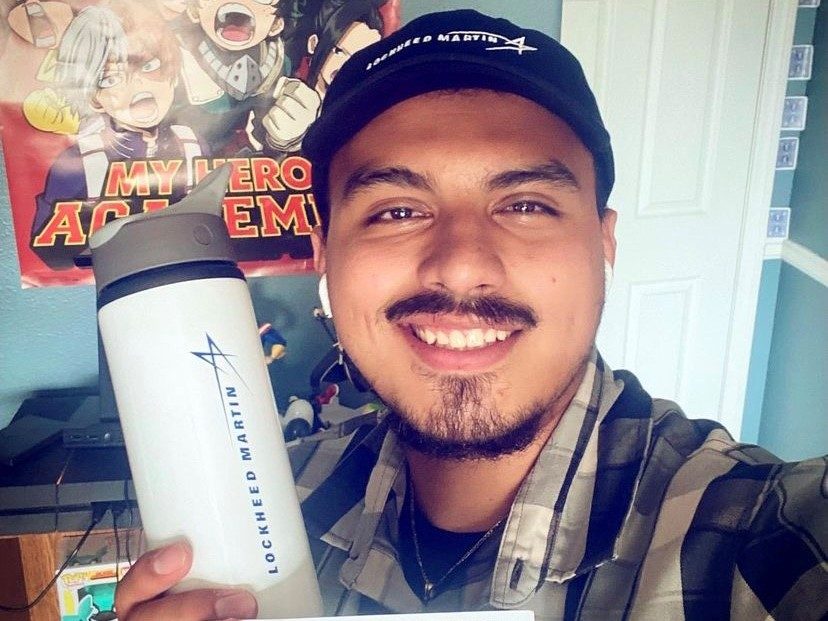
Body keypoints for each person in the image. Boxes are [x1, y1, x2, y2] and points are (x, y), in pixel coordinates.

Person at [114, 10, 828, 620]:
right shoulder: (274, 504)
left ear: (603, 242)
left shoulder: (764, 538)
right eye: (397, 211)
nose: (460, 265)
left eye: (526, 205)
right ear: (324, 253)